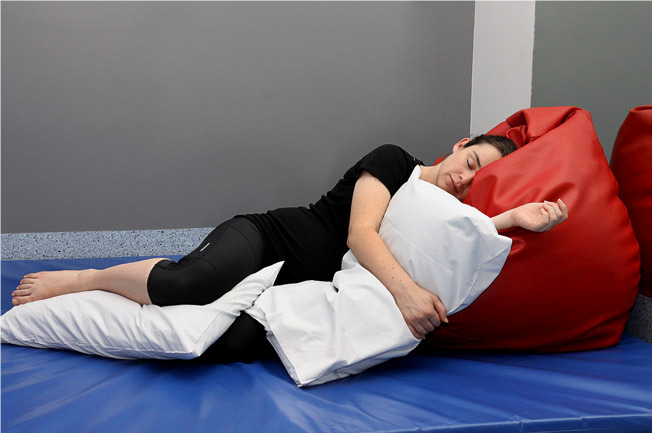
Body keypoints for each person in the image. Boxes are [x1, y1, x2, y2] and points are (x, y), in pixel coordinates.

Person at [11, 136, 568, 362]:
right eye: (469, 164)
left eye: (477, 183)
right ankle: (84, 280)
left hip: (295, 289)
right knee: (188, 286)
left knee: (213, 345)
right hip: (266, 238)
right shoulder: (397, 162)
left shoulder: (445, 212)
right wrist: (410, 296)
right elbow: (363, 236)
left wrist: (512, 218)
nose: (462, 182)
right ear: (460, 146)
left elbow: (439, 242)